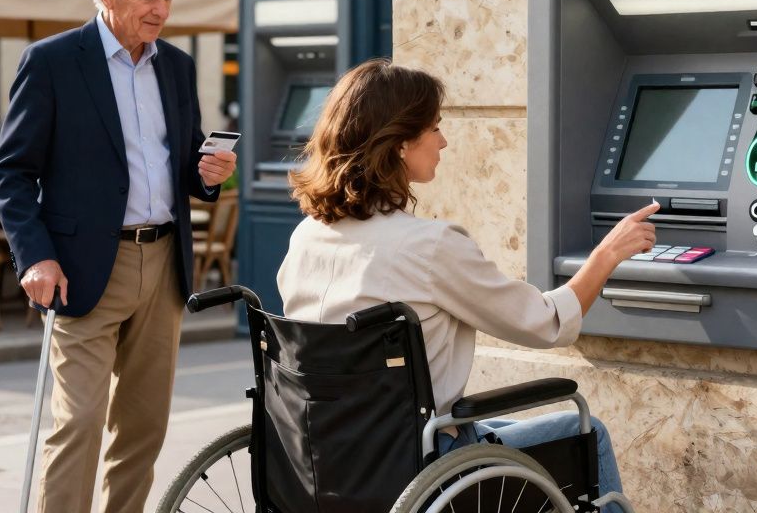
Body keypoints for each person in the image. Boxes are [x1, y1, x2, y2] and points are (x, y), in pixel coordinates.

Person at [277, 59, 656, 510]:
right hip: (419, 464)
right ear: (400, 142)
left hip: (326, 459)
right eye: (434, 127)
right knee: (587, 433)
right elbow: (544, 323)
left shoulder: (307, 236)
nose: (444, 141)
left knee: (502, 433)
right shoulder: (430, 246)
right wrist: (607, 254)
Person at [0, 0, 237, 513]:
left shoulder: (176, 67)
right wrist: (35, 256)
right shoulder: (51, 63)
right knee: (77, 423)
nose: (160, 10)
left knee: (144, 428)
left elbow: (183, 168)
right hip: (81, 270)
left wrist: (209, 172)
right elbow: (12, 172)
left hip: (165, 266)